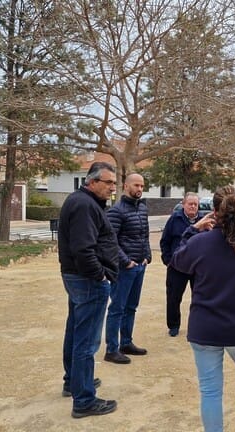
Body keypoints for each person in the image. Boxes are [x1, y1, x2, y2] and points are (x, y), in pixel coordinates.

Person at [171, 186, 235, 432]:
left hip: (205, 328)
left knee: (210, 390)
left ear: (214, 212)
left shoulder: (199, 242)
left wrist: (192, 230)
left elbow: (177, 260)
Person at [58, 161, 119, 418]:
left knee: (75, 332)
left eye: (114, 183)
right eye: (108, 183)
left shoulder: (83, 202)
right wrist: (101, 277)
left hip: (77, 278)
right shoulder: (84, 205)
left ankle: (74, 382)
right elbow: (84, 249)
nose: (112, 188)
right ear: (92, 182)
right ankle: (83, 400)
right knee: (86, 341)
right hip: (87, 280)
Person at [104, 173, 151, 364]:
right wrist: (126, 261)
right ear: (126, 186)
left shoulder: (143, 208)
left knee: (131, 307)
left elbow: (145, 235)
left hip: (140, 266)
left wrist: (148, 255)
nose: (140, 189)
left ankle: (126, 342)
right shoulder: (116, 211)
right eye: (136, 185)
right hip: (125, 268)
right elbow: (110, 241)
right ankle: (111, 349)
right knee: (117, 308)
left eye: (142, 186)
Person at [160, 192, 204, 337]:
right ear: (183, 204)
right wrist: (168, 260)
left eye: (195, 204)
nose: (193, 206)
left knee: (199, 298)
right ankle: (173, 325)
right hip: (177, 266)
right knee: (173, 297)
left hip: (197, 267)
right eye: (190, 203)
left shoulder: (204, 220)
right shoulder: (175, 219)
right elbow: (165, 241)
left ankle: (197, 325)